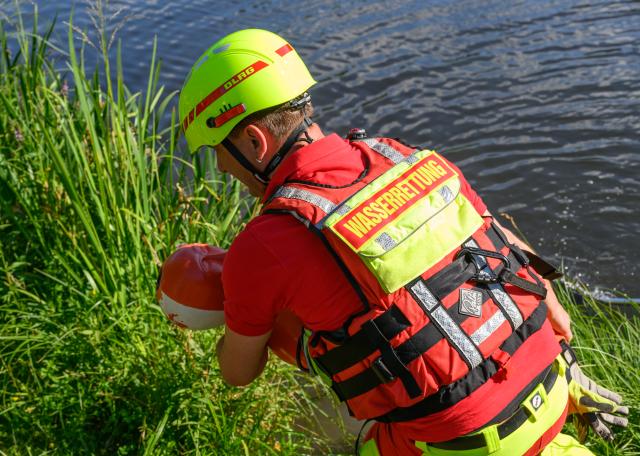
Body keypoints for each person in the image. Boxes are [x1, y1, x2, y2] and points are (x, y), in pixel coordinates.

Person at [177, 28, 628, 455]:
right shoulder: (402, 155)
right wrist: (564, 360)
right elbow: (504, 244)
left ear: (254, 142)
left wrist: (229, 307)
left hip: (472, 441)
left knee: (367, 434)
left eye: (219, 149)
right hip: (554, 380)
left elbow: (237, 374)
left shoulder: (266, 242)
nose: (219, 168)